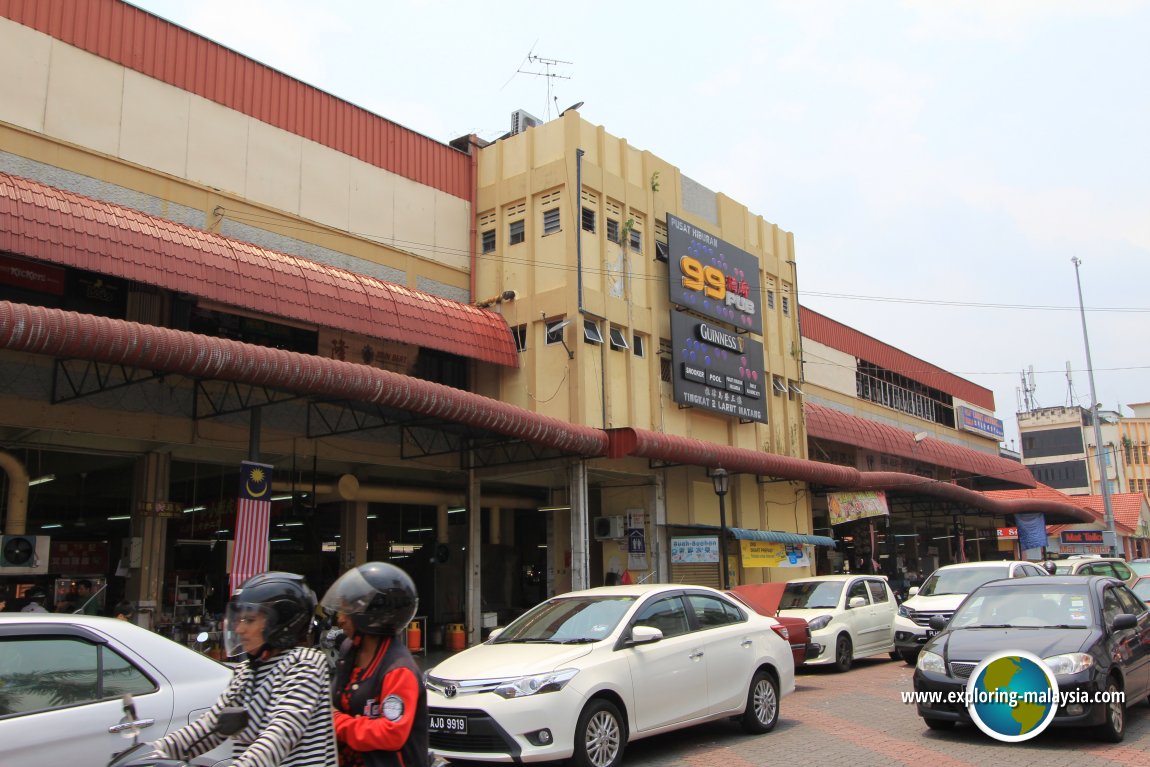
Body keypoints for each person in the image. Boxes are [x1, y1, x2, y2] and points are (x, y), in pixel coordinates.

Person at [151, 571, 338, 767]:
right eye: (239, 620)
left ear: (281, 623)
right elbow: (210, 727)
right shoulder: (246, 672)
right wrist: (155, 752)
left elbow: (280, 734)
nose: (239, 629)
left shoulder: (305, 664)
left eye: (249, 620)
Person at [321, 562, 428, 767]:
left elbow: (391, 733)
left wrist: (337, 722)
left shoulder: (398, 670)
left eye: (348, 611)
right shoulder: (349, 651)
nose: (340, 620)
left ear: (373, 614)